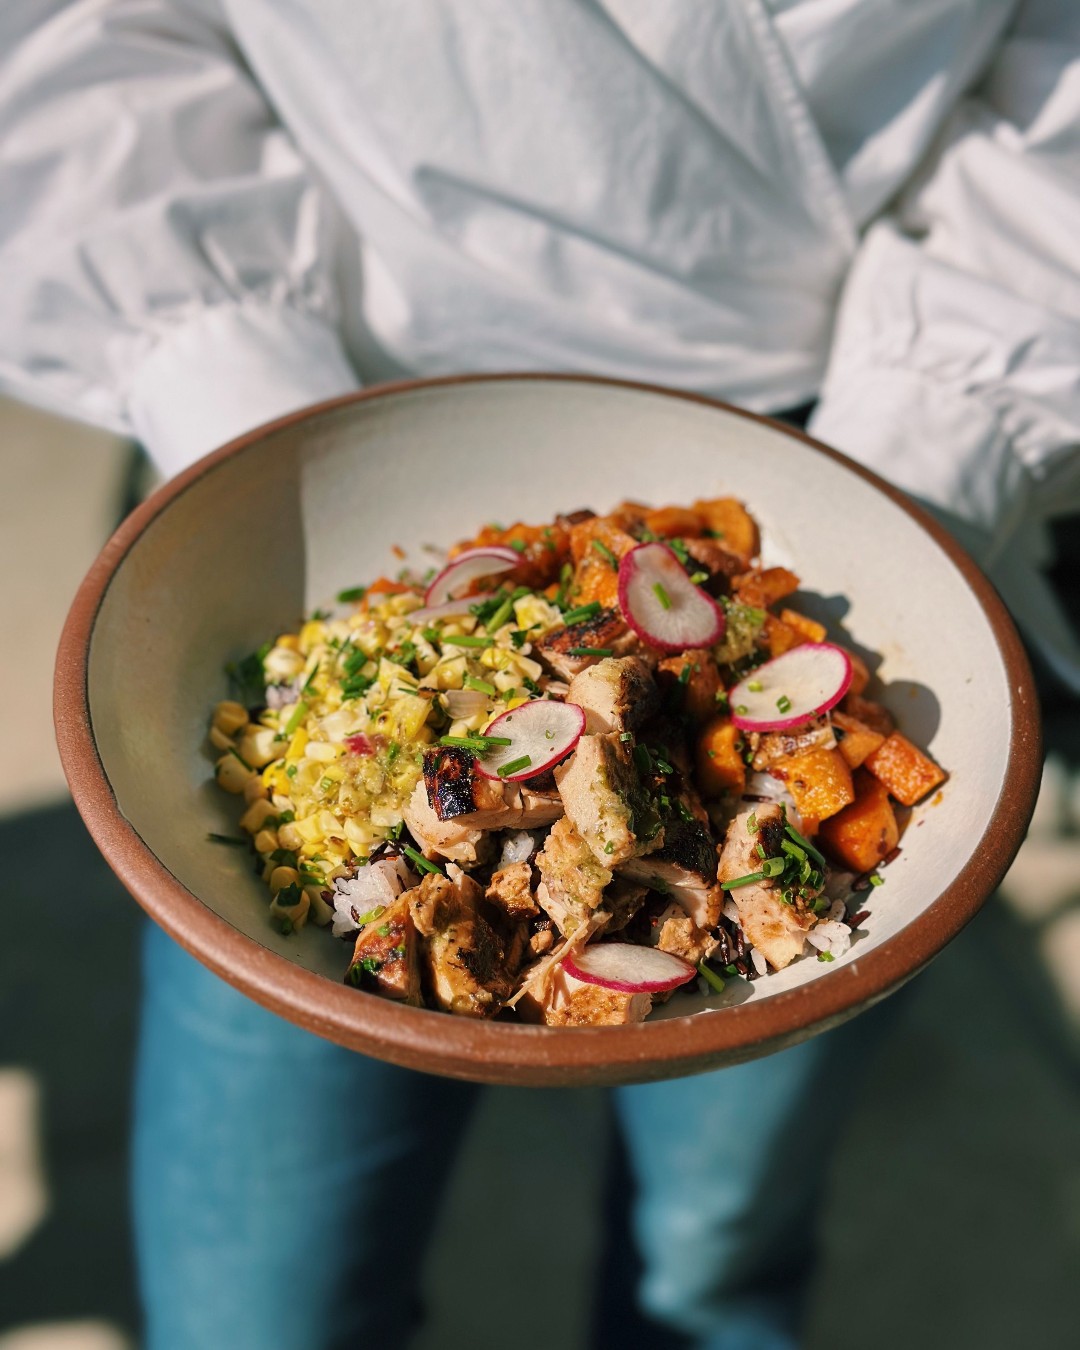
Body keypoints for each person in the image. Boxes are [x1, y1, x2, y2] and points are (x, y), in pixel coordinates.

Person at [2, 3, 1078, 1347]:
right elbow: (63, 46)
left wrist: (913, 461)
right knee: (252, 1309)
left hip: (845, 417)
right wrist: (262, 438)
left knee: (710, 1264)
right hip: (319, 386)